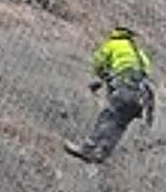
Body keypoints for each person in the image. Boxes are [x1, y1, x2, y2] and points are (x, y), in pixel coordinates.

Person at [64, 26, 154, 163]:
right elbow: (146, 70)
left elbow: (98, 62)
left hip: (124, 89)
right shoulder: (139, 53)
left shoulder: (112, 45)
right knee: (120, 124)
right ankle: (103, 153)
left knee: (107, 117)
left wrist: (101, 78)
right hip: (141, 96)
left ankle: (87, 149)